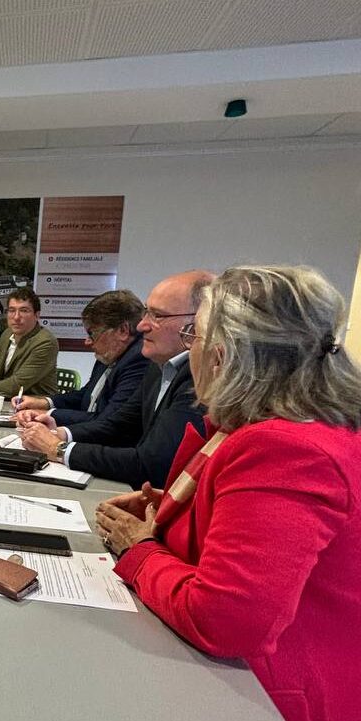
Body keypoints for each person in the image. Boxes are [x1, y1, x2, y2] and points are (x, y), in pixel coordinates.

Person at [97, 266, 361, 721]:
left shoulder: (285, 450)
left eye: (192, 335)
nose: (187, 348)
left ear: (222, 355)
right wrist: (171, 513)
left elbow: (226, 619)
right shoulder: (289, 430)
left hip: (260, 695)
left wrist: (138, 549)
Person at [21, 270, 212, 488]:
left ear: (198, 324)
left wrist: (59, 449)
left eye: (157, 316)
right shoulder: (158, 366)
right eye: (146, 313)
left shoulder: (198, 377)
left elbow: (151, 464)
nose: (141, 326)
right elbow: (119, 425)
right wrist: (60, 433)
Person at [12, 289, 149, 424]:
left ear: (123, 331)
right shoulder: (110, 354)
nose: (87, 341)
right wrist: (43, 403)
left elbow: (107, 421)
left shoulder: (138, 360)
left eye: (92, 334)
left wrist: (49, 415)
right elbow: (85, 395)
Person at [0, 287, 58, 398]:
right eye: (11, 310)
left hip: (34, 407)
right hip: (5, 401)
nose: (16, 317)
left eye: (24, 310)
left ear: (37, 315)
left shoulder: (45, 342)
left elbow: (16, 386)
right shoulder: (7, 334)